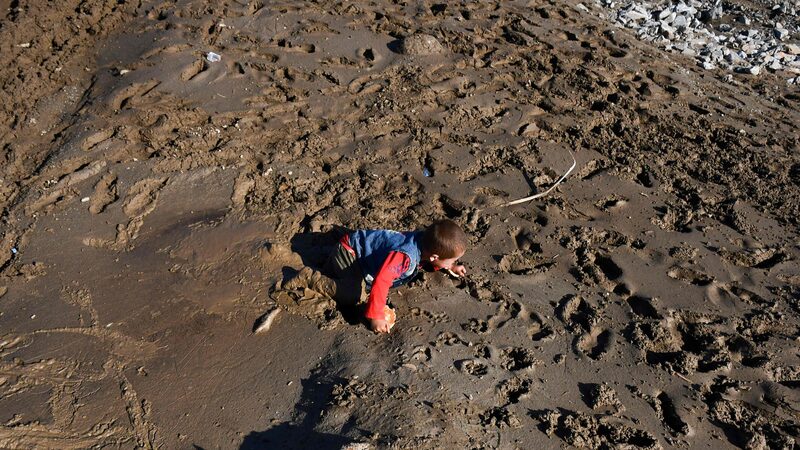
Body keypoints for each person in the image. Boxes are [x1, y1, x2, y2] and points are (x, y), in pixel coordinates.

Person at [282, 219, 468, 333]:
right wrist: (376, 315)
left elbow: (435, 257)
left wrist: (450, 265)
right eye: (453, 259)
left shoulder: (425, 240)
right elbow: (382, 280)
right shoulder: (404, 257)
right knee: (353, 295)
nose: (455, 262)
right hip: (350, 253)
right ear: (435, 256)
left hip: (363, 250)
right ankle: (310, 277)